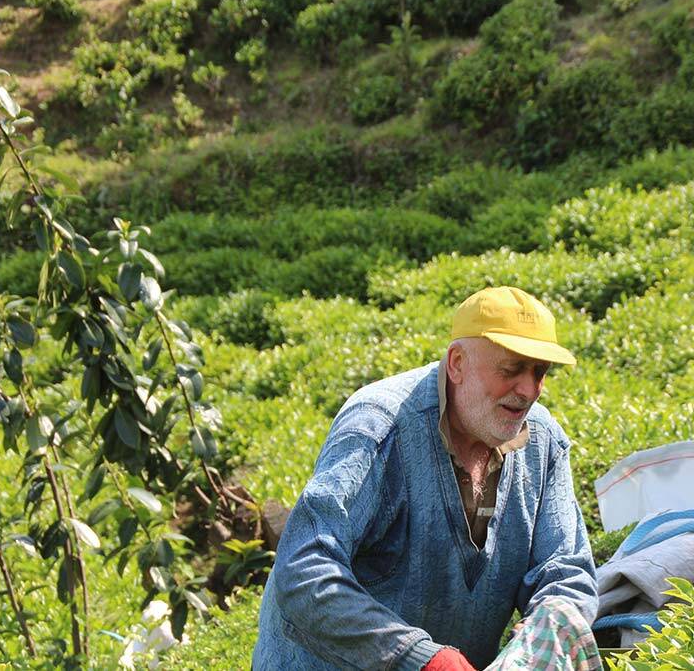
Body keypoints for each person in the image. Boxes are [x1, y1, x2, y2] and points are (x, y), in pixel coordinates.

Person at [253, 286, 598, 670]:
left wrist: (543, 633)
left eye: (539, 372)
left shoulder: (544, 443)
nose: (528, 390)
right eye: (511, 370)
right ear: (457, 363)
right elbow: (304, 568)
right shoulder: (378, 428)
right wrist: (416, 656)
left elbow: (566, 571)